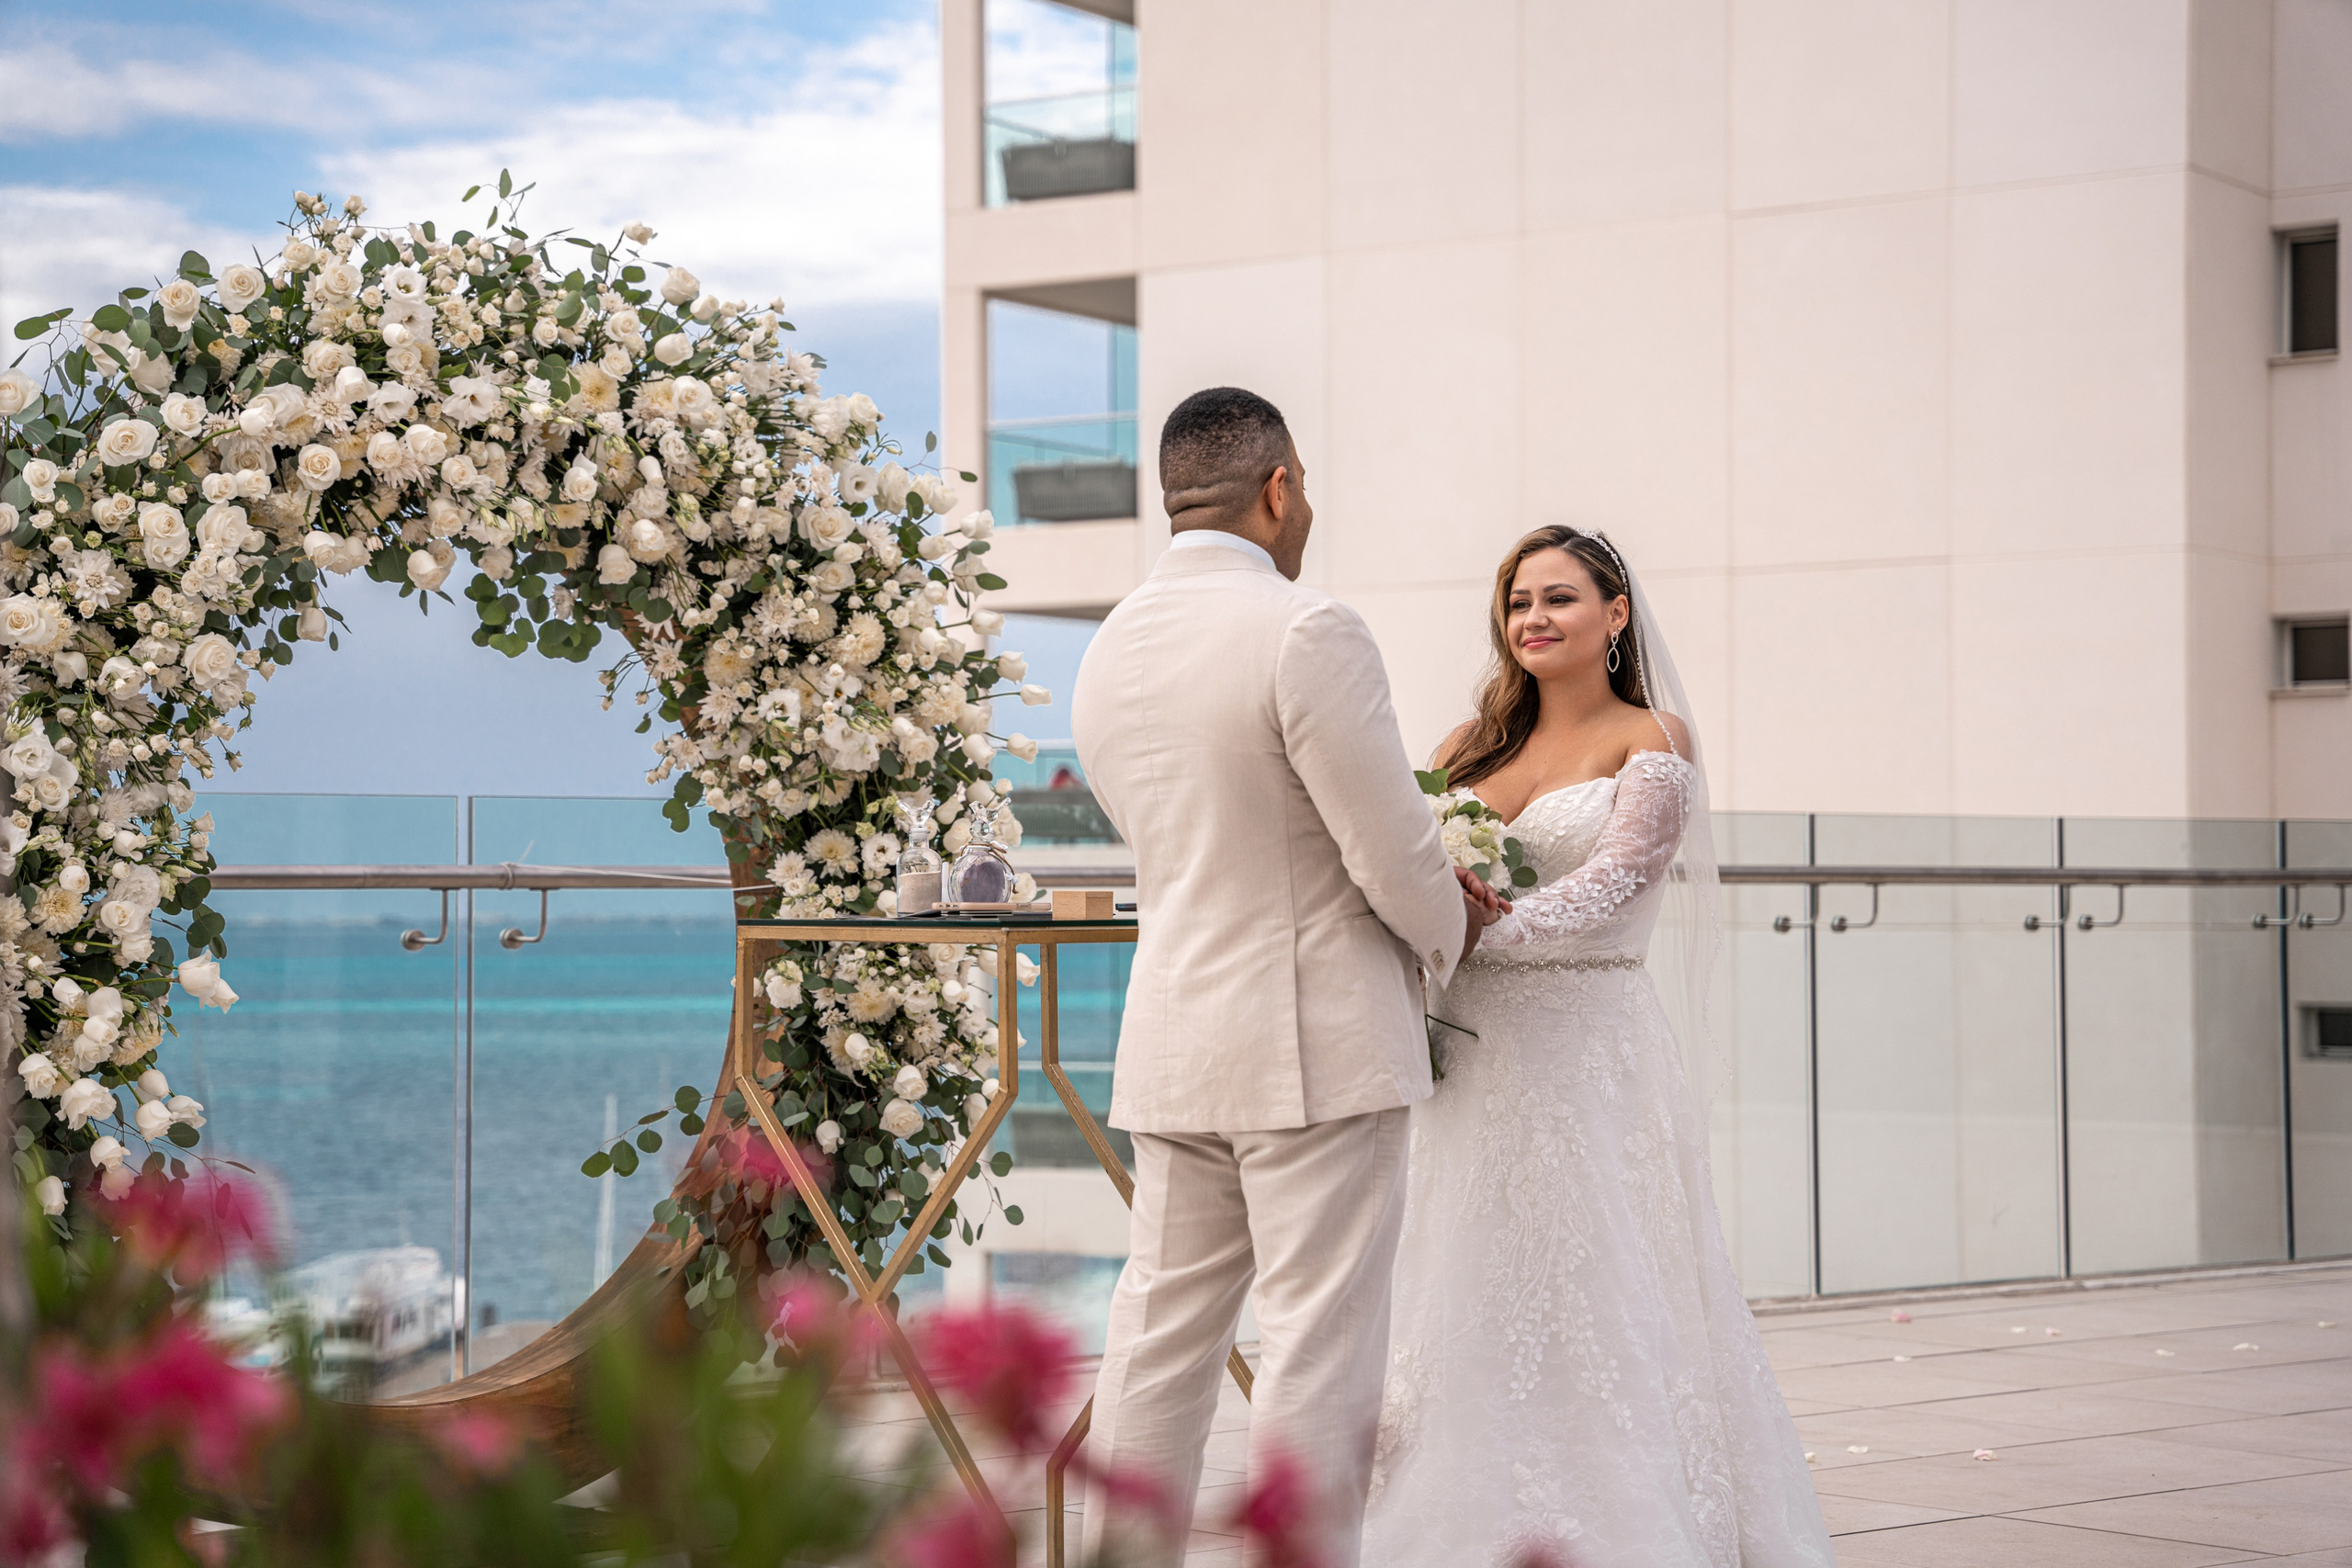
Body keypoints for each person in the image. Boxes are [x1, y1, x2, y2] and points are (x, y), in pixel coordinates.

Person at [1069, 387, 1503, 1567]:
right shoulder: (1306, 629)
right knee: (1318, 1351)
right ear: (1278, 488)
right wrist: (1456, 930)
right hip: (1312, 1046)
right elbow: (1390, 849)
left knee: (1157, 1341)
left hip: (1174, 1041)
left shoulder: (1108, 650)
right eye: (1303, 487)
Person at [1363, 525, 1834, 1566]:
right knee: (1459, 1271)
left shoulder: (1652, 737)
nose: (1533, 618)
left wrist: (1476, 930)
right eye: (1518, 601)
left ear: (1614, 613)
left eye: (1558, 597)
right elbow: (1407, 864)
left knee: (1598, 1277)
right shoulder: (1464, 745)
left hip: (1586, 1051)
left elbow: (1617, 882)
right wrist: (1429, 926)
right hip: (1470, 1050)